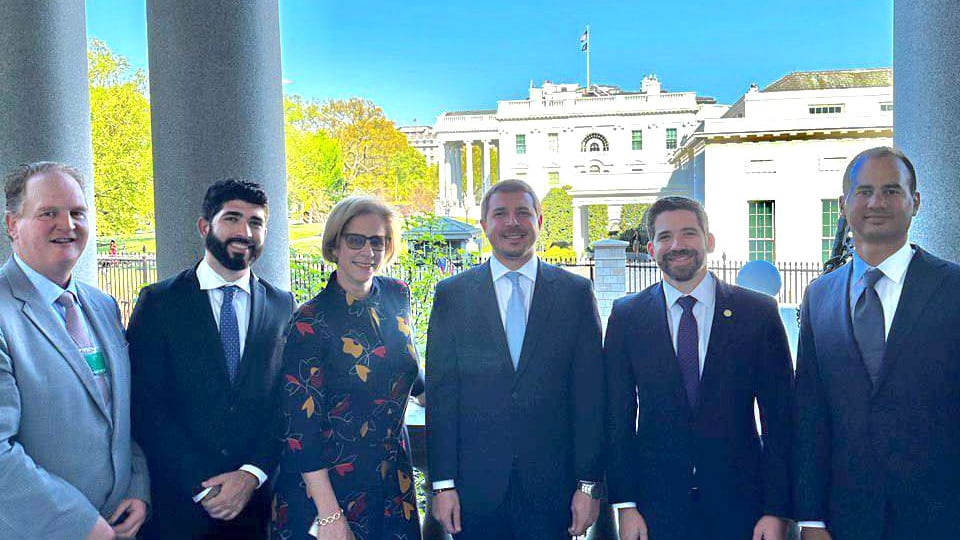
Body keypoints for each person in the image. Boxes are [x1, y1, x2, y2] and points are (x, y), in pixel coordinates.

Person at [794, 147, 960, 540]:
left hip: (940, 516)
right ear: (844, 204)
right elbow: (809, 414)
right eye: (864, 191)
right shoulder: (818, 296)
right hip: (845, 518)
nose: (876, 203)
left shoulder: (953, 289)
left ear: (914, 202)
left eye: (891, 191)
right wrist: (810, 518)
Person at [604, 196, 793, 540]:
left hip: (742, 509)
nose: (677, 245)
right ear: (651, 248)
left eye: (688, 233)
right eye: (665, 237)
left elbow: (780, 420)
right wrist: (626, 504)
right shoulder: (627, 317)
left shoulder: (758, 314)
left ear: (709, 240)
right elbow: (617, 418)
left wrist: (776, 510)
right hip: (654, 511)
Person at [427, 179, 605, 540]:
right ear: (484, 225)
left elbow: (590, 397)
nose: (512, 223)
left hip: (553, 495)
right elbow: (443, 396)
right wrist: (442, 484)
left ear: (539, 220)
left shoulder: (575, 294)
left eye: (523, 213)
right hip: (475, 495)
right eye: (500, 214)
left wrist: (588, 486)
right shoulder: (453, 295)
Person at [128, 179, 295, 539]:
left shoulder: (283, 306)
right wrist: (202, 487)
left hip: (257, 510)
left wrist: (252, 474)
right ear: (206, 227)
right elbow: (145, 405)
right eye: (232, 218)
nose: (245, 231)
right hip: (178, 509)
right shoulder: (159, 303)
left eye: (256, 222)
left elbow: (286, 401)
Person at [0, 162, 150, 539]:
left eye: (77, 213)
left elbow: (118, 413)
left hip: (117, 523)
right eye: (48, 213)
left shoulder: (102, 305)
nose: (66, 225)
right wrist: (79, 524)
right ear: (12, 225)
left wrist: (137, 486)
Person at [270, 196, 423, 540]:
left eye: (377, 241)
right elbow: (299, 431)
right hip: (328, 491)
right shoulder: (310, 321)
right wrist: (329, 515)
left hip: (392, 485)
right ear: (334, 245)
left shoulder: (398, 295)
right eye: (356, 240)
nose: (368, 251)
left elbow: (407, 369)